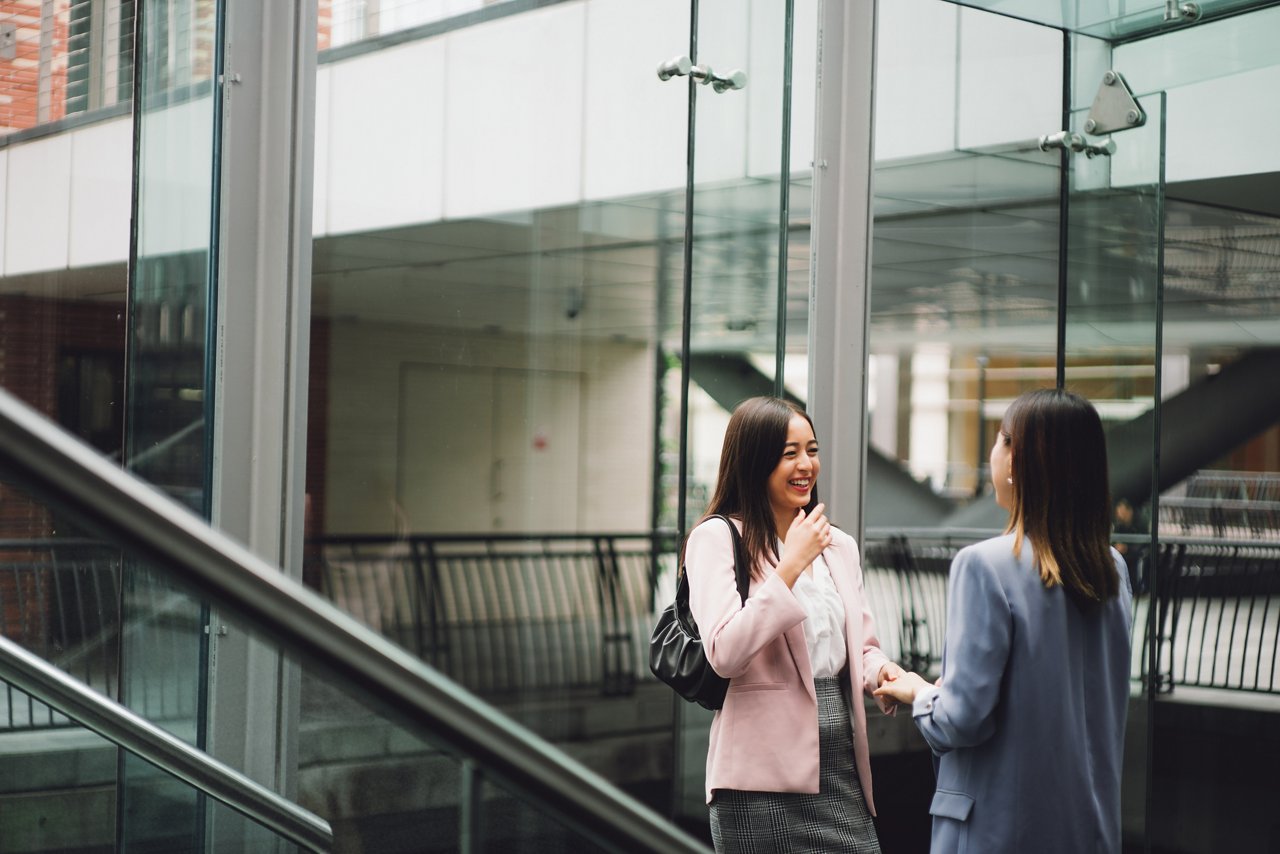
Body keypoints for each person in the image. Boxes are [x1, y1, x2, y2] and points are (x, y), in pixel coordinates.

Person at [874, 388, 1134, 853]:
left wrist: (919, 691)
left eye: (999, 440)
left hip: (997, 833)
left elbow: (960, 721)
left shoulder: (985, 565)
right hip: (1088, 831)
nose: (993, 453)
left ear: (1016, 461)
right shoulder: (1112, 569)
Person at [684, 396, 903, 853]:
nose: (806, 465)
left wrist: (881, 672)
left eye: (812, 450)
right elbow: (724, 652)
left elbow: (861, 646)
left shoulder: (837, 545)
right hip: (757, 781)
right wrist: (791, 566)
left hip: (839, 762)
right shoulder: (717, 538)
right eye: (789, 454)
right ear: (755, 461)